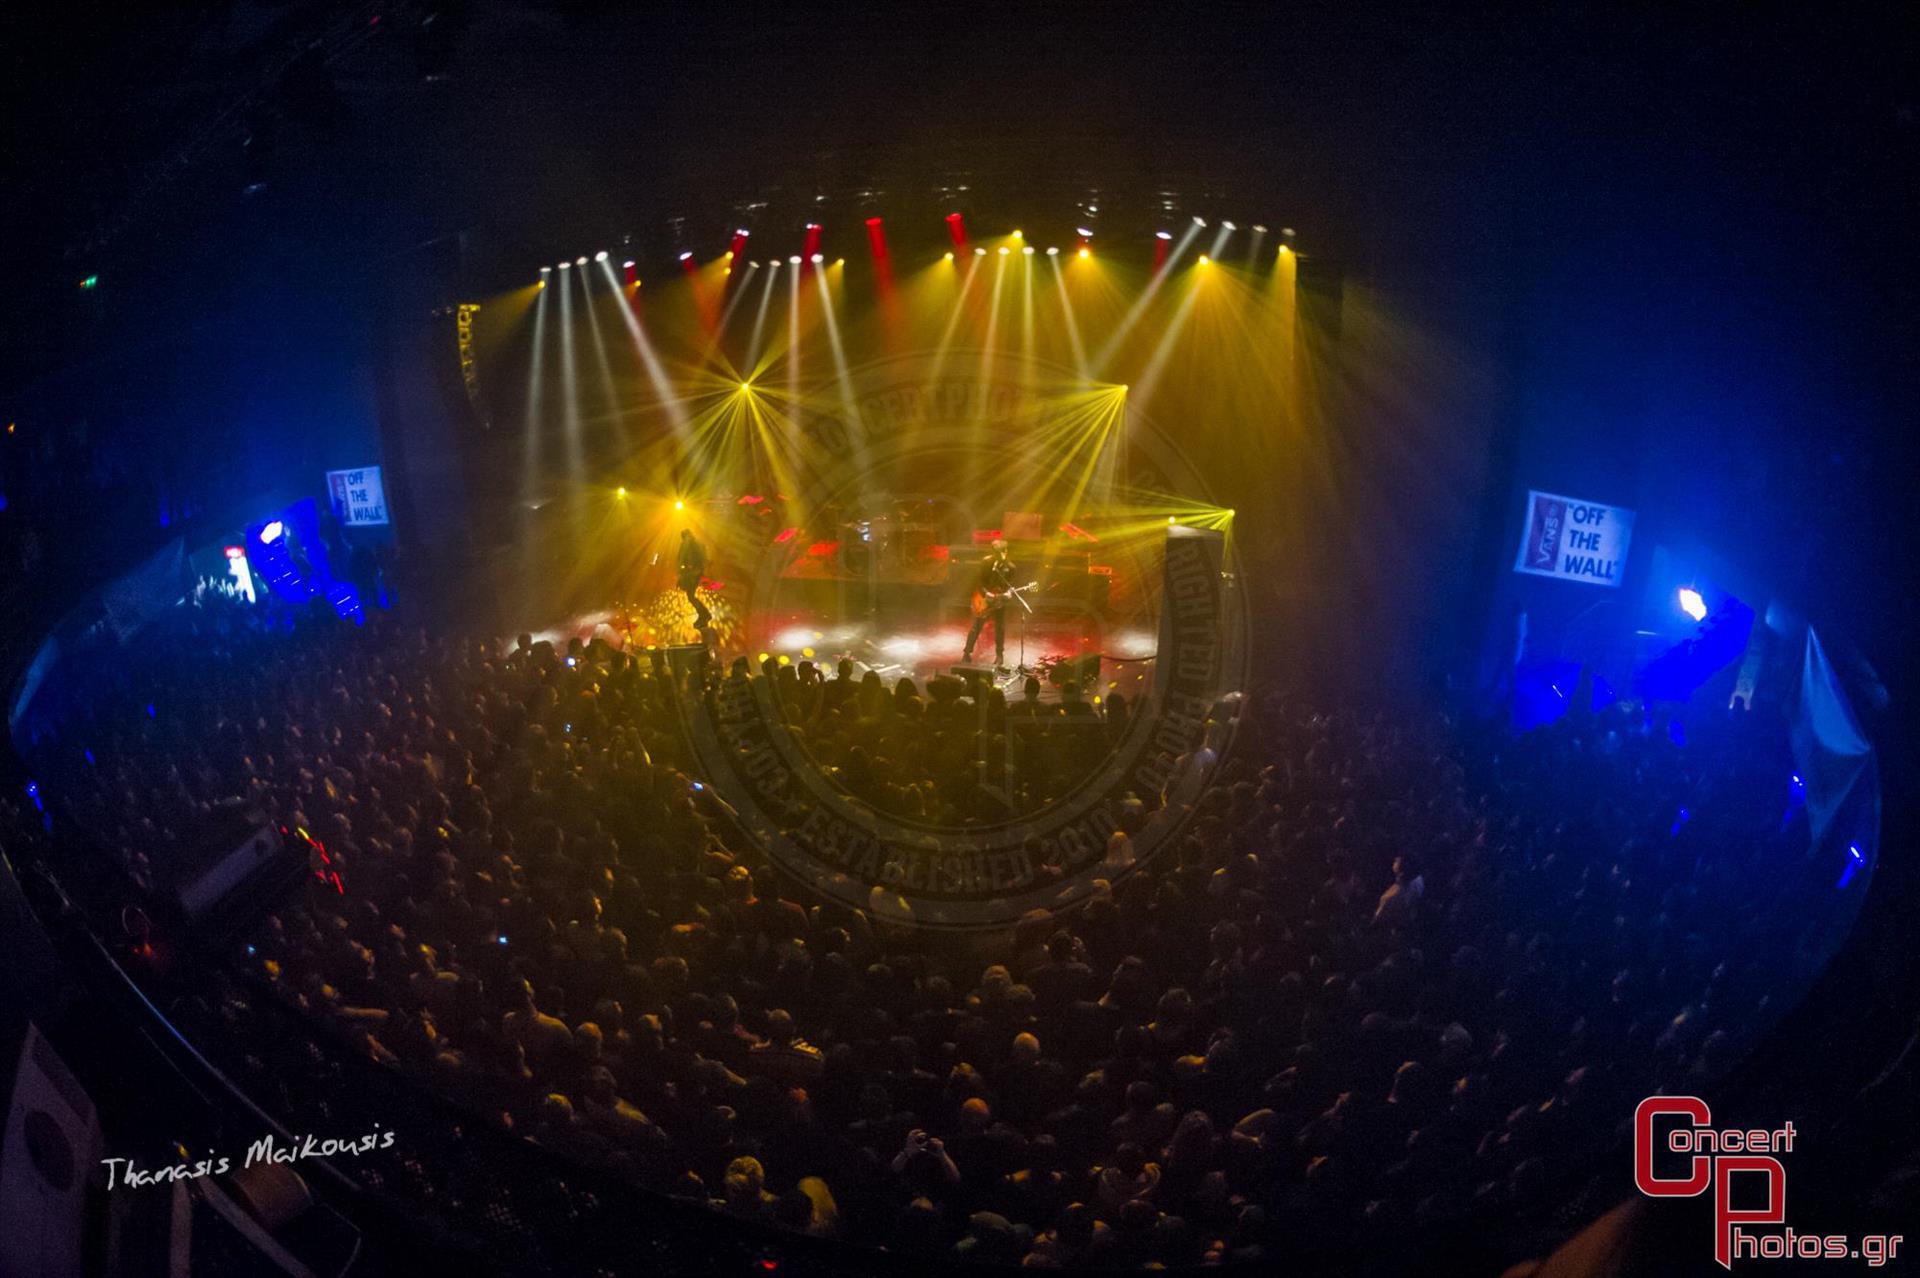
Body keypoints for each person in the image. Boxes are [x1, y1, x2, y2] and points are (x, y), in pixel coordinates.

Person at [963, 539, 1017, 669]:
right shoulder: (986, 562)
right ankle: (967, 652)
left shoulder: (1010, 567)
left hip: (999, 601)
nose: (998, 556)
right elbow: (979, 581)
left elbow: (1011, 586)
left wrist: (1009, 593)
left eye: (1000, 553)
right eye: (995, 553)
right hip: (984, 599)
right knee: (977, 626)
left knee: (1000, 627)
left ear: (1005, 552)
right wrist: (986, 593)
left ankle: (999, 655)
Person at [676, 528, 712, 634]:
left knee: (691, 596)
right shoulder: (696, 543)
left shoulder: (689, 543)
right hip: (694, 572)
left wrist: (682, 573)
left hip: (692, 573)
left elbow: (683, 558)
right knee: (690, 596)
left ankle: (704, 614)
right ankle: (704, 615)